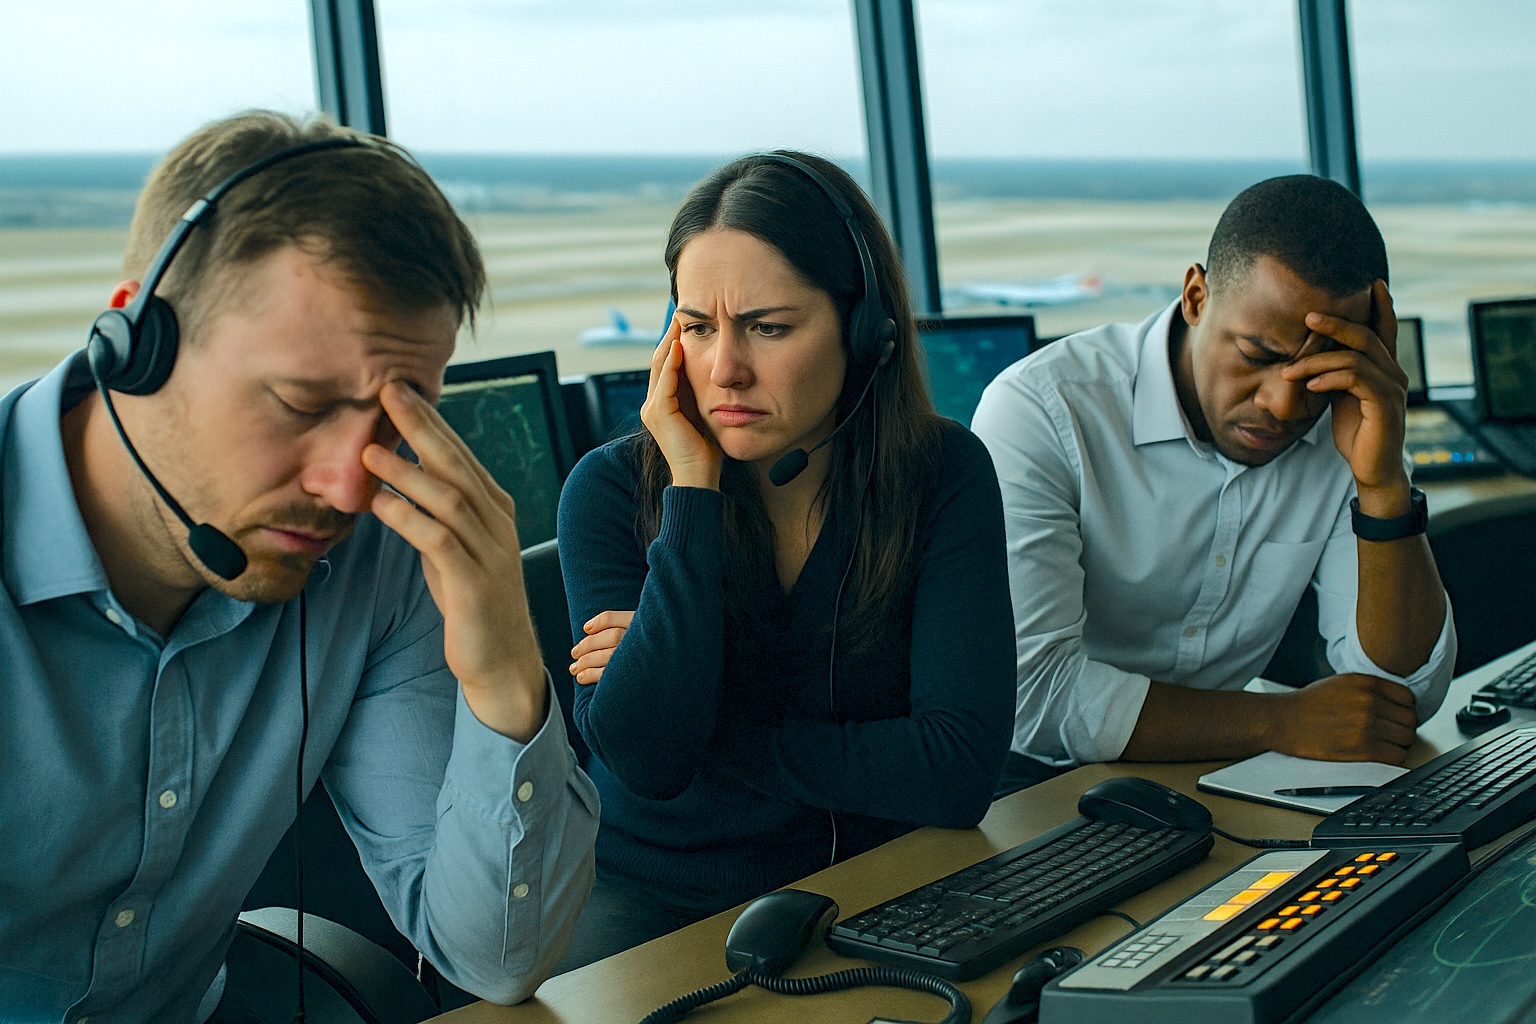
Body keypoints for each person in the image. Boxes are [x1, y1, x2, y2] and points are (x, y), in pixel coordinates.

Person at [0, 112, 597, 1023]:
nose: (346, 487)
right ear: (136, 342)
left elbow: (495, 961)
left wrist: (507, 667)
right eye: (300, 402)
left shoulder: (376, 561)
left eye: (399, 419)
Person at [553, 151, 1015, 967]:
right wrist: (692, 491)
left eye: (768, 328)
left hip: (888, 877)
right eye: (697, 327)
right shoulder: (609, 490)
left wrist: (708, 709)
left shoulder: (943, 474)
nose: (724, 369)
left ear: (865, 332)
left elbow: (955, 771)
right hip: (659, 897)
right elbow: (649, 759)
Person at [971, 174, 1456, 791]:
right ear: (1196, 297)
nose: (1284, 406)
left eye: (1317, 373)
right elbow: (1031, 698)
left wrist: (1383, 485)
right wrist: (1278, 722)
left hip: (1216, 779)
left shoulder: (1350, 427)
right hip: (1030, 788)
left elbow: (1397, 699)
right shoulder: (1042, 410)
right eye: (1257, 355)